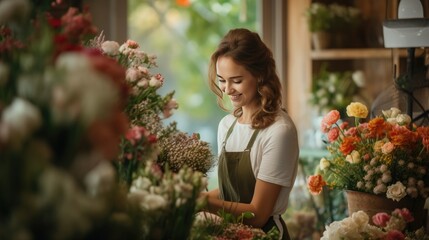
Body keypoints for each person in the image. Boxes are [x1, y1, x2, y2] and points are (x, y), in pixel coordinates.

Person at [202, 28, 299, 240]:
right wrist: (188, 198)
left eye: (236, 80)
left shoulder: (279, 131)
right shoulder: (226, 126)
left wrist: (203, 202)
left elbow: (257, 214)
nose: (227, 90)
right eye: (221, 80)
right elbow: (231, 191)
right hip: (227, 233)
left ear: (260, 75)